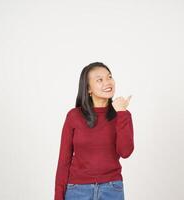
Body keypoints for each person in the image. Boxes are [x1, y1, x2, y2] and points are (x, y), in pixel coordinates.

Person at [54, 62, 134, 200]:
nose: (108, 82)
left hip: (112, 189)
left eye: (109, 77)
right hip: (77, 190)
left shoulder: (122, 115)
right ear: (88, 89)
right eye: (100, 80)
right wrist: (58, 197)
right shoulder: (74, 116)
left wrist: (122, 113)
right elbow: (64, 161)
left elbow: (125, 152)